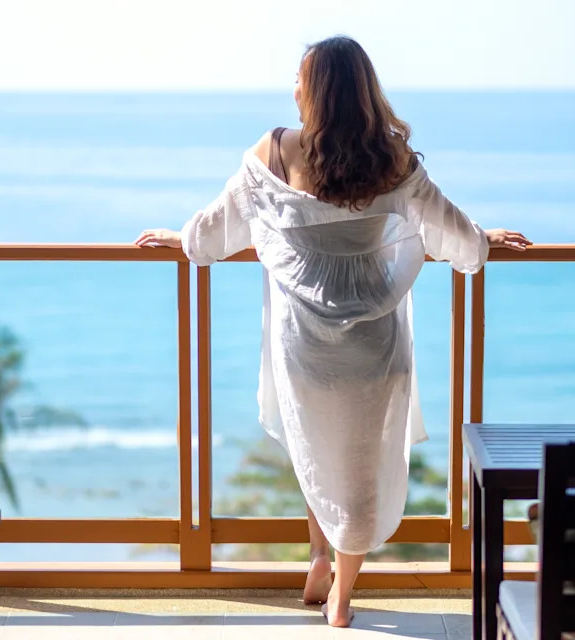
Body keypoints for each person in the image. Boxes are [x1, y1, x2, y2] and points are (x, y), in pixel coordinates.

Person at [135, 35, 531, 627]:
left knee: (313, 441)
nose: (292, 88)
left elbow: (215, 230)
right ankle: (340, 593)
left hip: (304, 346)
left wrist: (181, 238)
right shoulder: (393, 159)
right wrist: (483, 241)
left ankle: (320, 556)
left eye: (299, 78)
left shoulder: (274, 151)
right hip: (374, 348)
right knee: (359, 468)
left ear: (317, 91)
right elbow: (452, 232)